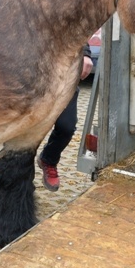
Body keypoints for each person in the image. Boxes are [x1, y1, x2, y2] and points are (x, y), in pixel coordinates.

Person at [37, 44, 94, 191]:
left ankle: (48, 160)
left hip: (65, 74)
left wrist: (86, 53)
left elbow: (77, 24)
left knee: (67, 127)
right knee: (27, 133)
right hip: (33, 73)